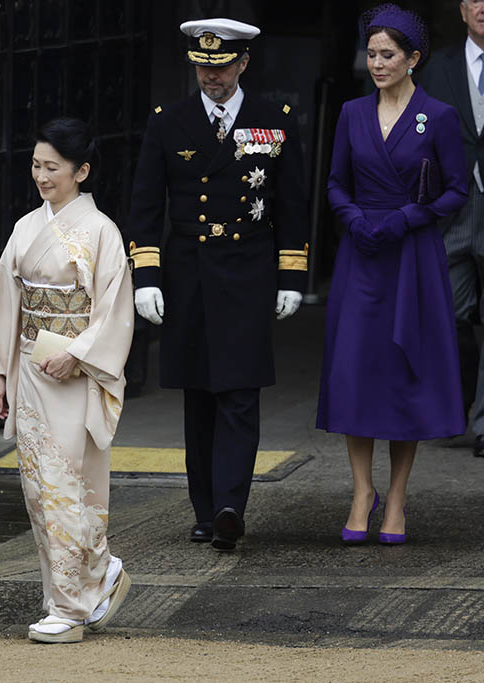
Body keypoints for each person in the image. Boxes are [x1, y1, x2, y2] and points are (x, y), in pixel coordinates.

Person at [125, 18, 309, 552]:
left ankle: (231, 505)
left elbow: (291, 204)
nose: (211, 76)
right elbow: (145, 206)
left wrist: (291, 273)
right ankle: (204, 510)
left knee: (240, 391)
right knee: (199, 395)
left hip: (248, 267)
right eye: (203, 67)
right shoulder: (170, 121)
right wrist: (147, 276)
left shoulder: (273, 119)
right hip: (187, 270)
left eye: (222, 66)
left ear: (244, 63)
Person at [0, 118, 134, 644]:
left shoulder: (101, 231)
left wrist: (79, 354)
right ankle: (87, 580)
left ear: (81, 171)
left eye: (52, 167)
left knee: (68, 484)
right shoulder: (26, 227)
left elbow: (115, 308)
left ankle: (71, 605)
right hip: (31, 365)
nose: (41, 176)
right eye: (36, 165)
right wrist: (1, 371)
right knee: (36, 487)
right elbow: (7, 302)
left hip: (74, 369)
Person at [319, 5, 468, 545]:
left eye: (388, 55)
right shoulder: (353, 113)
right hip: (362, 254)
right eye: (372, 53)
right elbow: (334, 182)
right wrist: (354, 217)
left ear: (413, 59)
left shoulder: (440, 115)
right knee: (357, 370)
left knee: (405, 374)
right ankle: (362, 491)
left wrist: (410, 216)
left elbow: (458, 189)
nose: (376, 62)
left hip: (412, 255)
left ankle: (397, 497)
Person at [419, 0, 484, 458]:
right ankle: (447, 410)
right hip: (450, 209)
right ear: (463, 9)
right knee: (443, 316)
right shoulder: (434, 68)